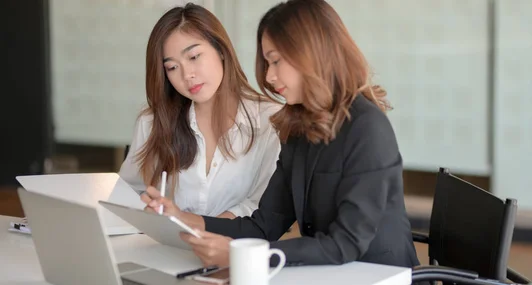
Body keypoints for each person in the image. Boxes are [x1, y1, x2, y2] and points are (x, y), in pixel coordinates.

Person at [142, 0, 420, 269]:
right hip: (332, 273)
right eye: (267, 63)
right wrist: (183, 219)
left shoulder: (367, 126)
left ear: (312, 55)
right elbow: (264, 225)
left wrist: (242, 256)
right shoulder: (298, 127)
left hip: (381, 275)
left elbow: (345, 243)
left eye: (276, 62)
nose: (269, 77)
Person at [120, 3, 282, 218]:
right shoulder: (152, 122)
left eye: (194, 57)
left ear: (221, 50)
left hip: (236, 248)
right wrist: (149, 208)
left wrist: (201, 230)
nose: (187, 75)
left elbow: (267, 208)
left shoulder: (272, 121)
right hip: (164, 247)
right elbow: (129, 194)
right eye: (172, 67)